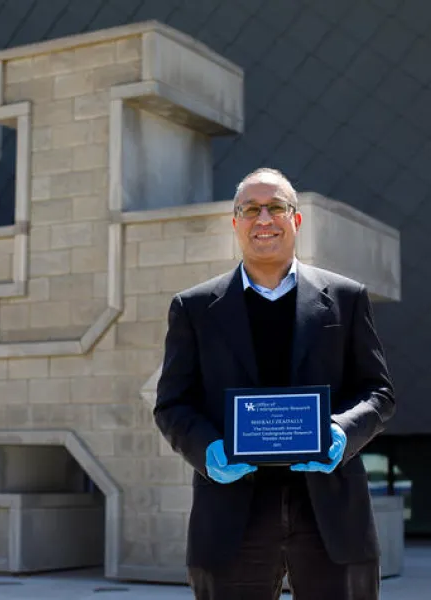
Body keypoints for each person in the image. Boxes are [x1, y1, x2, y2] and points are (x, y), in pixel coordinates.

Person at [153, 167, 396, 600]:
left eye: (276, 207)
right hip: (231, 517)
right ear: (235, 223)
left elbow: (378, 393)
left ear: (296, 220)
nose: (263, 218)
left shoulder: (346, 298)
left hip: (332, 514)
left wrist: (342, 432)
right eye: (250, 209)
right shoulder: (193, 308)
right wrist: (208, 450)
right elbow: (172, 404)